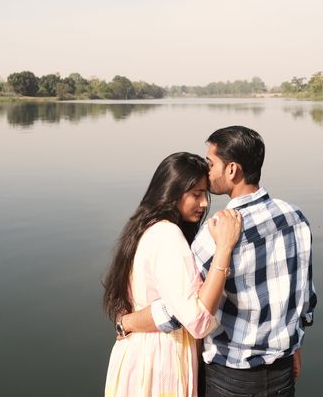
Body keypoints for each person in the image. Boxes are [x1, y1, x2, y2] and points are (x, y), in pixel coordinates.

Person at [121, 126, 317, 397]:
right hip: (282, 372)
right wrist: (295, 346)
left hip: (231, 377)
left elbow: (185, 309)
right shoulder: (295, 217)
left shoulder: (216, 232)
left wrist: (128, 322)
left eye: (211, 163)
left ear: (232, 170)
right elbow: (304, 297)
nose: (207, 169)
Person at [103, 152, 243, 397]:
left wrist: (127, 323)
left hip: (140, 355)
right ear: (171, 191)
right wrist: (224, 248)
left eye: (205, 195)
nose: (203, 204)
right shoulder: (167, 235)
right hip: (160, 362)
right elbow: (197, 321)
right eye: (195, 194)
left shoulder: (145, 227)